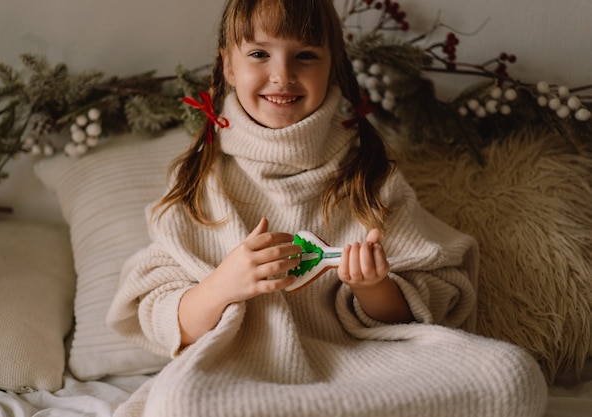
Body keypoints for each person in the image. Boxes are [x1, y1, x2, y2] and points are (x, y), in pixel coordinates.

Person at [107, 0, 547, 416]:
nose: (282, 75)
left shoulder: (369, 173)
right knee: (179, 403)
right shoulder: (201, 181)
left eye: (305, 56)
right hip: (246, 371)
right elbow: (162, 317)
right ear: (228, 65)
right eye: (260, 53)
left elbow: (426, 300)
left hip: (368, 366)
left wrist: (374, 288)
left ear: (333, 64)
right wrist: (223, 285)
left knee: (511, 375)